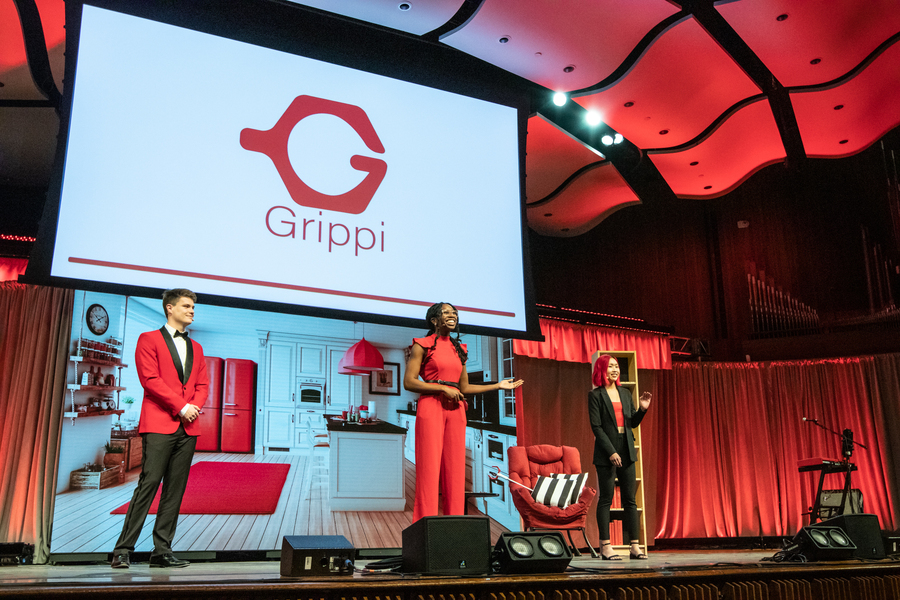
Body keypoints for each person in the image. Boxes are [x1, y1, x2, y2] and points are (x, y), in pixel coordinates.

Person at [110, 289, 209, 569]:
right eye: (186, 306)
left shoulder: (197, 348)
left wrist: (193, 408)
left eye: (193, 307)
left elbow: (203, 385)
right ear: (169, 308)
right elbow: (150, 380)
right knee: (149, 484)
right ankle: (122, 550)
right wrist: (181, 406)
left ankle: (161, 552)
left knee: (175, 490)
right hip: (159, 424)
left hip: (189, 427)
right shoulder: (148, 339)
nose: (192, 311)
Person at [403, 302, 523, 521]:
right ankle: (425, 527)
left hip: (456, 409)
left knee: (455, 471)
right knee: (429, 471)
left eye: (454, 313)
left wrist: (498, 386)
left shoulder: (460, 349)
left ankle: (454, 527)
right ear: (434, 320)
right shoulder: (423, 344)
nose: (453, 316)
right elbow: (409, 382)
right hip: (431, 406)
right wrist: (442, 388)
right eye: (447, 313)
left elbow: (465, 388)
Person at [588, 354, 652, 560]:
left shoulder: (625, 393)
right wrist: (611, 452)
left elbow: (632, 423)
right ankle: (605, 547)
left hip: (626, 448)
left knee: (630, 500)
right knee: (606, 499)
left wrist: (642, 410)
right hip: (607, 451)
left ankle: (635, 546)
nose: (615, 370)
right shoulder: (595, 395)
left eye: (616, 367)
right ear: (601, 370)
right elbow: (596, 427)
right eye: (610, 367)